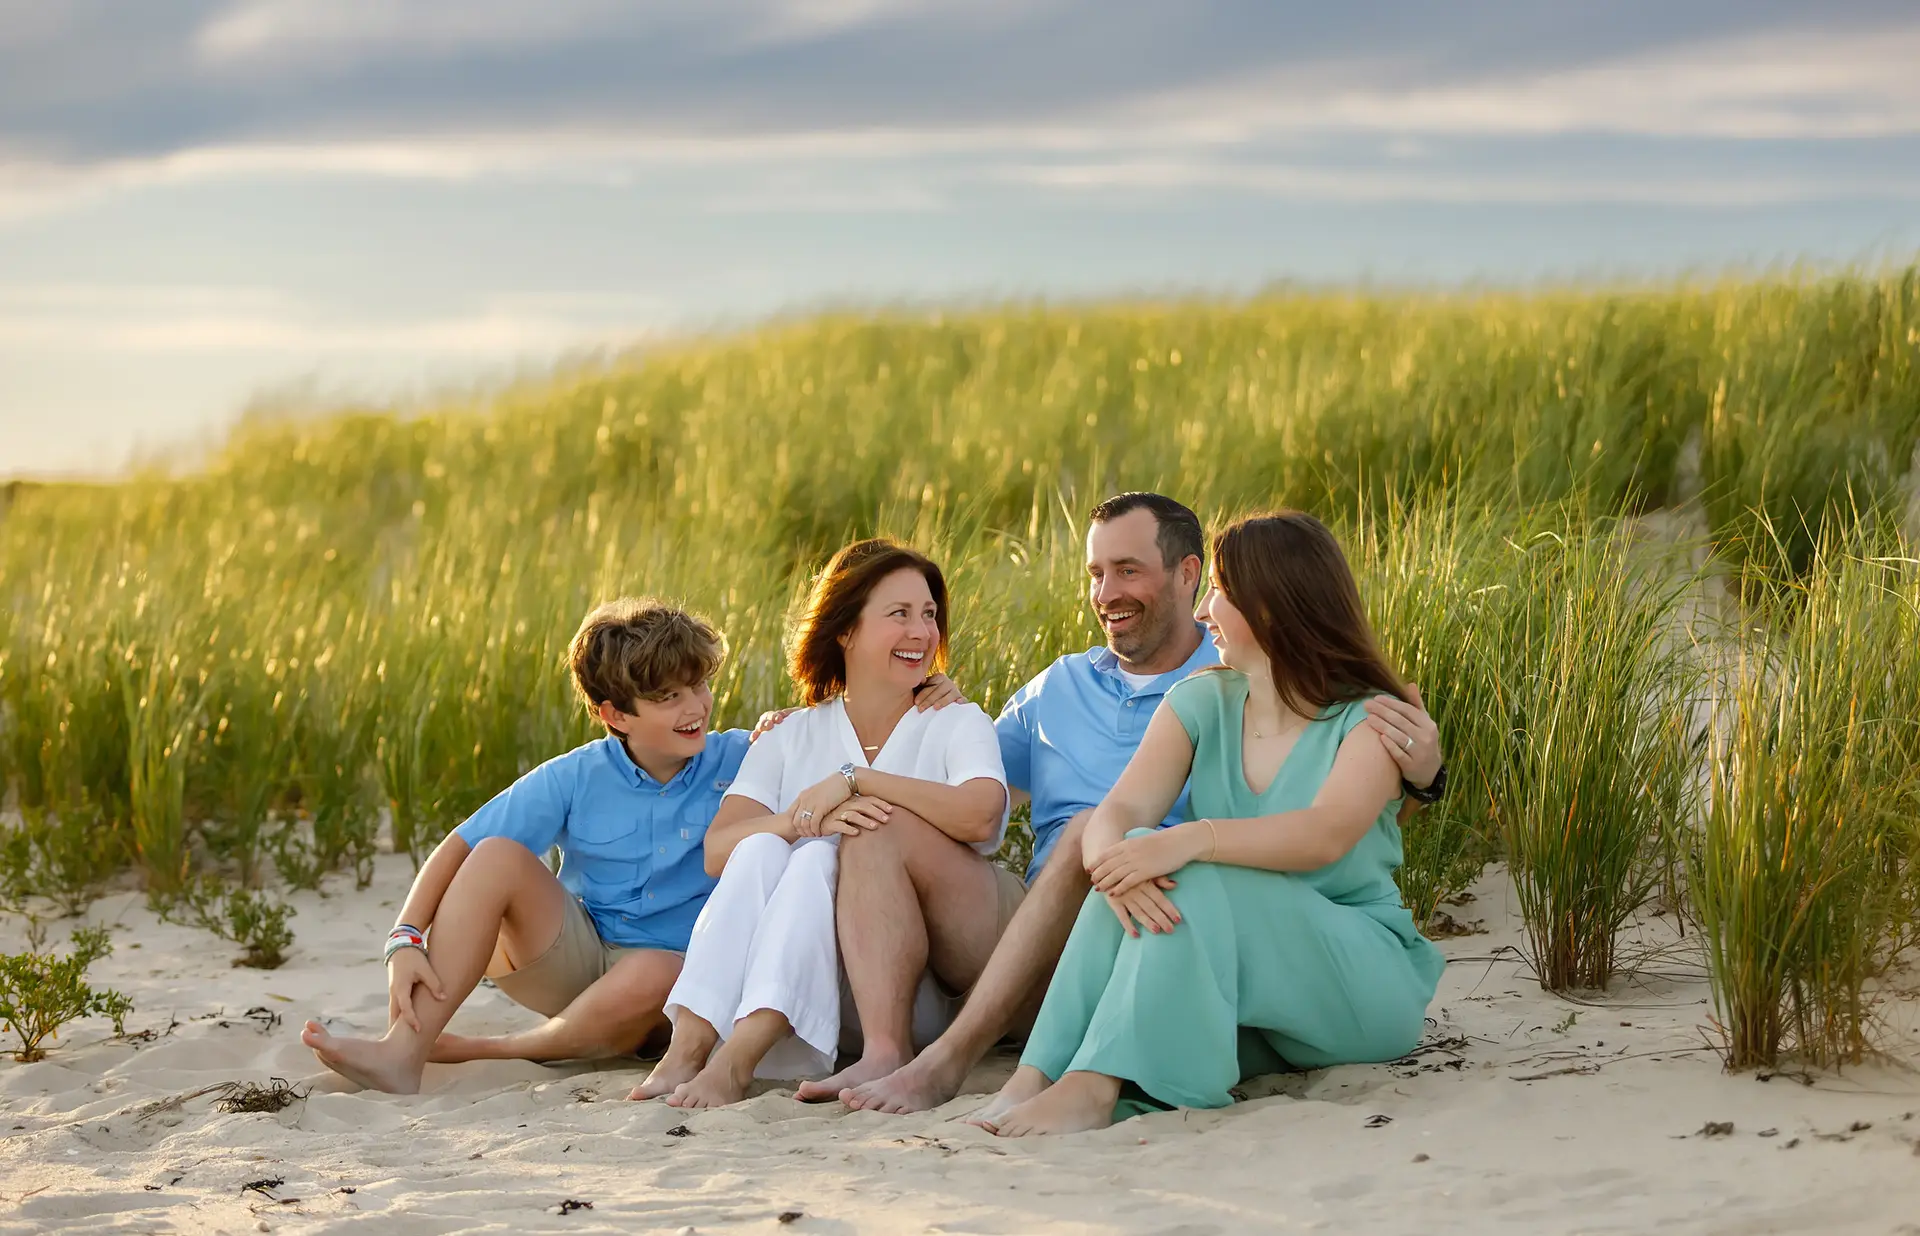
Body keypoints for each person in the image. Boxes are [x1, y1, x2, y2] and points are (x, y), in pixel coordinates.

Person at [835, 492, 1444, 1113]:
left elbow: (1333, 831)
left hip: (1273, 949)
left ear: (1256, 598)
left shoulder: (1354, 709)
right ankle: (1023, 1074)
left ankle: (1078, 1087)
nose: (1106, 593)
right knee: (1113, 848)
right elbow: (1012, 802)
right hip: (1148, 948)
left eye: (1128, 570)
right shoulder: (1173, 696)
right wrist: (858, 725)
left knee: (1154, 864)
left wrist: (1181, 841)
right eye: (1097, 574)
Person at [301, 594, 964, 1094]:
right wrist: (403, 938)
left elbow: (847, 733)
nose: (694, 708)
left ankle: (490, 1048)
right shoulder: (576, 773)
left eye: (700, 686)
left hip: (683, 984)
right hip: (583, 959)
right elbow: (458, 846)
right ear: (613, 714)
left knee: (657, 967)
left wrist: (924, 689)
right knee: (497, 854)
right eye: (669, 697)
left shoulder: (749, 753)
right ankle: (405, 1049)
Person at [628, 538, 1015, 1108]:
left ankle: (746, 1058)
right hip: (826, 995)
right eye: (899, 614)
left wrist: (859, 779)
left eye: (929, 614)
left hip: (929, 985)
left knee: (839, 843)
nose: (922, 632)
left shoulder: (954, 719)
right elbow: (718, 851)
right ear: (846, 630)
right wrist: (802, 819)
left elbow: (982, 815)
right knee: (768, 850)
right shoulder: (788, 734)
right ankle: (692, 1047)